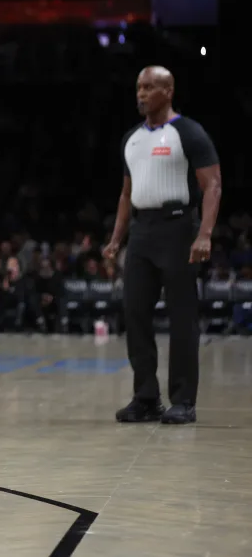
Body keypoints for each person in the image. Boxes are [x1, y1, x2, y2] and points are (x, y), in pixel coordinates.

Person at [103, 66, 222, 425]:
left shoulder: (188, 131)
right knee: (135, 313)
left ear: (168, 91)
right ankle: (146, 397)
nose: (141, 93)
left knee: (182, 317)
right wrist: (116, 239)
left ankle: (183, 400)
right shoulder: (132, 138)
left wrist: (204, 233)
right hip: (142, 230)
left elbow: (212, 184)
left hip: (178, 228)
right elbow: (126, 194)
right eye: (138, 87)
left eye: (149, 87)